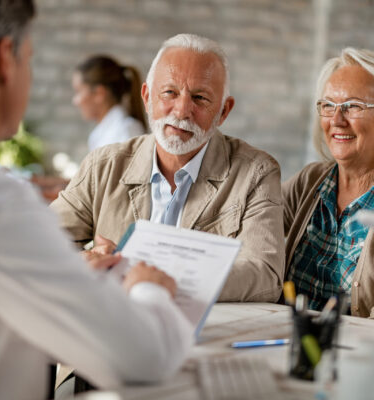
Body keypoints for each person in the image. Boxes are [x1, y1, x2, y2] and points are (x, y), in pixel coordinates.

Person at [0, 1, 193, 399]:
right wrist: (147, 287)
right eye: (32, 59)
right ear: (7, 57)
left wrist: (67, 272)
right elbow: (146, 356)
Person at [51, 33, 285, 303]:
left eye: (200, 98)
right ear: (147, 97)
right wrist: (85, 261)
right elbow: (41, 242)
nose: (182, 110)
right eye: (169, 93)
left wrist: (155, 278)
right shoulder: (102, 165)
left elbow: (265, 275)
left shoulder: (256, 173)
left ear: (223, 111)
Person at [283, 47, 374, 318]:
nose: (336, 120)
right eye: (328, 106)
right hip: (285, 340)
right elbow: (250, 223)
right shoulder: (310, 181)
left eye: (353, 106)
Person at [72, 55, 146, 151]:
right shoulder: (101, 133)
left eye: (78, 92)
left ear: (99, 93)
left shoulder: (126, 130)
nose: (75, 101)